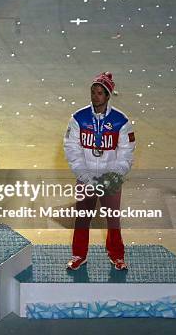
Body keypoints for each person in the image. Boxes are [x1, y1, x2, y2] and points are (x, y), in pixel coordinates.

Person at [63, 72, 136, 270]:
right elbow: (71, 148)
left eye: (99, 93)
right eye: (93, 92)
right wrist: (84, 176)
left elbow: (126, 153)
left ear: (108, 96)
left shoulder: (121, 121)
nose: (95, 96)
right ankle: (79, 255)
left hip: (110, 181)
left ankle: (117, 256)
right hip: (86, 179)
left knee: (112, 219)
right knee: (82, 217)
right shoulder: (78, 118)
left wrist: (113, 176)